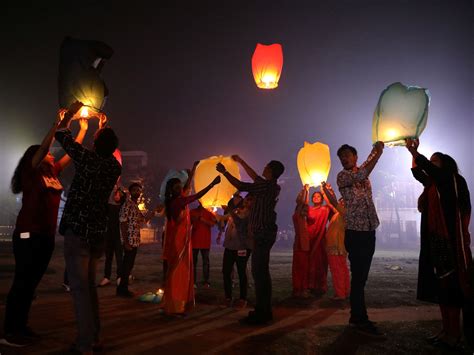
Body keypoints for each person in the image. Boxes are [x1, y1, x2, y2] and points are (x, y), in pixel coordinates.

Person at [1, 103, 88, 348]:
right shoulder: (32, 172)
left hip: (46, 236)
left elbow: (72, 153)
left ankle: (22, 325)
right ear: (35, 157)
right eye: (47, 153)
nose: (52, 154)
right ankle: (9, 331)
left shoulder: (53, 171)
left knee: (31, 284)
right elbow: (44, 147)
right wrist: (60, 122)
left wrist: (80, 131)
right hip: (28, 234)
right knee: (22, 282)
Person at [55, 102, 121, 355]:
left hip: (79, 231)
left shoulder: (88, 159)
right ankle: (94, 338)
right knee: (89, 288)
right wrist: (101, 127)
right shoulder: (114, 166)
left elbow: (62, 135)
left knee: (80, 290)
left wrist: (69, 114)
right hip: (96, 233)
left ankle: (85, 344)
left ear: (96, 144)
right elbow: (104, 148)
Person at [406, 138, 473, 348]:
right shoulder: (434, 185)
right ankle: (446, 330)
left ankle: (455, 334)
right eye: (431, 161)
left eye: (435, 162)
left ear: (445, 165)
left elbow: (432, 172)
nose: (431, 165)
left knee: (453, 290)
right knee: (442, 291)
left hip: (451, 243)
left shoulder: (452, 180)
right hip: (436, 242)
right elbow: (418, 173)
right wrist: (412, 154)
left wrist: (416, 152)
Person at [216, 155, 284, 325]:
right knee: (262, 273)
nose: (263, 168)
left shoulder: (266, 186)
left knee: (259, 273)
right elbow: (255, 177)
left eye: (266, 166)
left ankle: (262, 313)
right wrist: (241, 161)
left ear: (271, 170)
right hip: (263, 234)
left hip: (261, 235)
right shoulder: (270, 186)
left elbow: (241, 185)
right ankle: (264, 310)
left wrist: (224, 172)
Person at [336, 141, 384, 336]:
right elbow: (362, 173)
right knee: (358, 279)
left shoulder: (362, 174)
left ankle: (356, 317)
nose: (344, 159)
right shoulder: (343, 176)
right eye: (341, 157)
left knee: (361, 279)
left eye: (347, 155)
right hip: (355, 233)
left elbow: (363, 171)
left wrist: (374, 152)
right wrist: (377, 153)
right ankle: (360, 319)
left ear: (355, 157)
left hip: (369, 230)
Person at [161, 162, 220, 315]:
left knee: (182, 271)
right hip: (179, 242)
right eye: (178, 186)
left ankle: (176, 304)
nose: (182, 188)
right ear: (175, 189)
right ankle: (175, 305)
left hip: (183, 240)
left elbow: (188, 187)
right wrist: (212, 184)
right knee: (179, 272)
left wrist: (193, 170)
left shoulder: (178, 199)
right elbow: (196, 195)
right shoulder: (178, 202)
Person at [117, 182, 155, 297]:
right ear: (130, 192)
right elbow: (123, 223)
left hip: (134, 240)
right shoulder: (127, 204)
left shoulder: (135, 206)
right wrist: (125, 241)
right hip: (129, 240)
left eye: (139, 190)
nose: (137, 192)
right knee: (126, 266)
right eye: (135, 190)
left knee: (129, 265)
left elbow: (143, 220)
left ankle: (122, 289)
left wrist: (154, 212)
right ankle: (122, 290)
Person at [221, 194, 253, 308]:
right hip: (229, 247)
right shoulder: (233, 213)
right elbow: (222, 219)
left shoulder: (249, 214)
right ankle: (228, 297)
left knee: (241, 272)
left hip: (242, 247)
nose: (245, 203)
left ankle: (243, 298)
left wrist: (231, 212)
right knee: (226, 271)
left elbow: (240, 223)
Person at [321, 182, 350, 300]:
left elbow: (333, 202)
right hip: (337, 247)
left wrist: (325, 189)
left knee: (338, 271)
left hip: (337, 248)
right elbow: (331, 202)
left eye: (344, 201)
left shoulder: (345, 213)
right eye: (341, 200)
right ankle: (345, 291)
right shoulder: (338, 213)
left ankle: (340, 294)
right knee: (342, 270)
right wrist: (326, 191)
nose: (341, 202)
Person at [99, 185, 126, 287]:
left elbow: (124, 199)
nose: (116, 196)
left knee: (119, 256)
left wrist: (120, 191)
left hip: (118, 234)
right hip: (109, 234)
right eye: (114, 194)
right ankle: (107, 277)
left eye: (118, 194)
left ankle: (120, 276)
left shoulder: (122, 206)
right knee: (108, 256)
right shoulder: (108, 205)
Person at [306, 190, 330, 296]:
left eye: (318, 196)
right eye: (314, 196)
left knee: (320, 262)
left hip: (320, 240)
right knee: (310, 262)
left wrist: (324, 190)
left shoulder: (325, 209)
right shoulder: (308, 209)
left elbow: (331, 202)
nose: (316, 197)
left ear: (322, 198)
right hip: (309, 239)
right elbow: (302, 204)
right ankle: (310, 285)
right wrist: (305, 191)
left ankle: (320, 286)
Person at [190, 202, 217, 288]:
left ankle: (206, 281)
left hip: (205, 242)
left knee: (205, 262)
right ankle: (193, 281)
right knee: (193, 263)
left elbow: (213, 224)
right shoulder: (192, 212)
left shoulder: (208, 213)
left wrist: (202, 219)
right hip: (194, 241)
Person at [292, 185, 310, 298]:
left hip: (304, 247)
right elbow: (301, 203)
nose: (306, 211)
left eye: (307, 210)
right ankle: (298, 289)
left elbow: (304, 204)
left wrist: (307, 192)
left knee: (304, 269)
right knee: (299, 269)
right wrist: (305, 190)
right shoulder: (297, 217)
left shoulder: (303, 219)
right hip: (299, 247)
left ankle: (303, 288)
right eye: (304, 209)